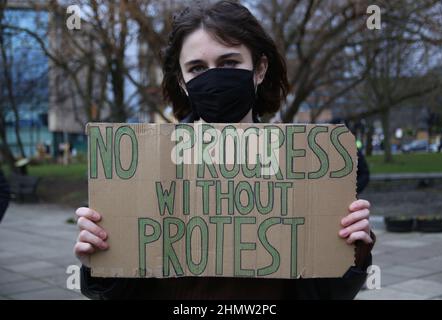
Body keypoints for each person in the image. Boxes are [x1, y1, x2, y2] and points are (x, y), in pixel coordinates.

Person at [75, 0, 375, 299]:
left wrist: (352, 253)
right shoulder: (142, 167)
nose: (214, 77)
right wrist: (100, 259)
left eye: (229, 63)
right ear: (182, 80)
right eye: (197, 68)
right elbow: (119, 293)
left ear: (259, 69)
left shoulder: (305, 166)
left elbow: (326, 293)